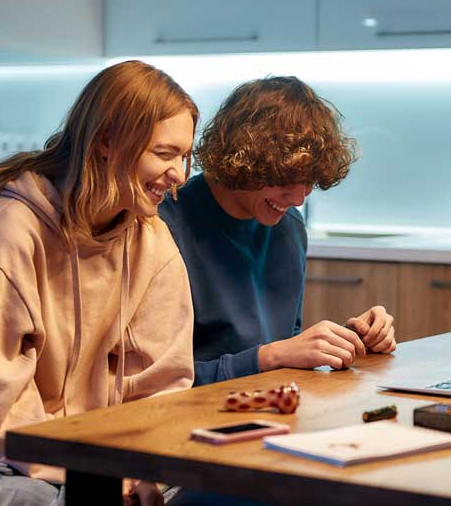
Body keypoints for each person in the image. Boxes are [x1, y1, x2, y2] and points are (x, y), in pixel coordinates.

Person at [0, 60, 198, 506]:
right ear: (106, 142)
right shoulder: (11, 229)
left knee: (222, 480)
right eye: (164, 153)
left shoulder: (151, 237)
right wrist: (90, 476)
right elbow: (1, 405)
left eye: (184, 156)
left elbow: (165, 383)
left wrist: (139, 466)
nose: (179, 175)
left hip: (101, 451)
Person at [159, 76, 396, 389]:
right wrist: (269, 356)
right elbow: (153, 384)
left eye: (308, 184)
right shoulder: (163, 228)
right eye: (285, 182)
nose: (297, 200)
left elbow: (283, 348)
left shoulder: (289, 227)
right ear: (243, 162)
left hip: (269, 411)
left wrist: (347, 339)